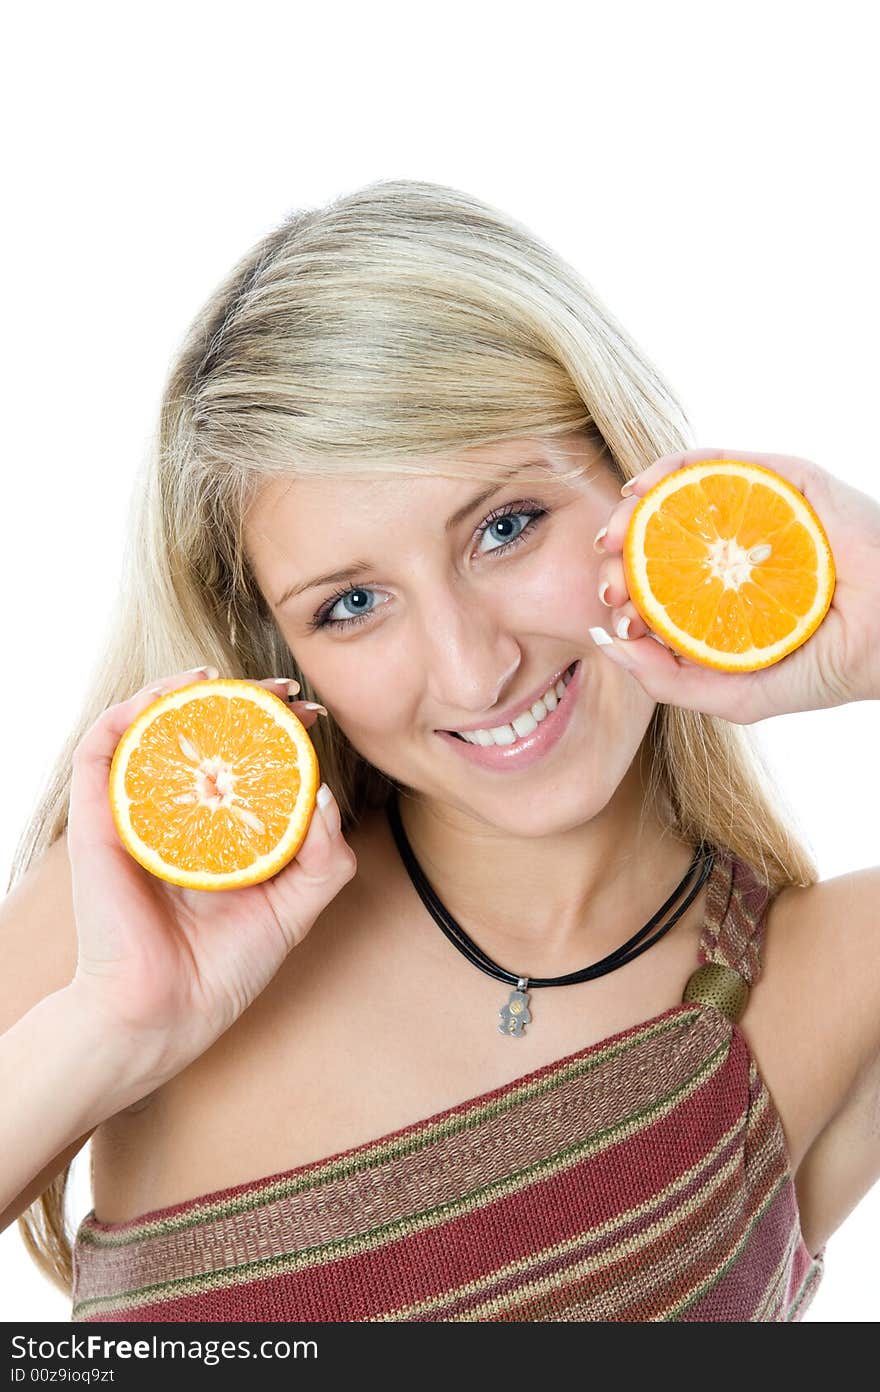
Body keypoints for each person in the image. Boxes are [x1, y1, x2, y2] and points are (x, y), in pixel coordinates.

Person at [2, 179, 879, 1323]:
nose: (473, 670)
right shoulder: (136, 917)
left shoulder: (838, 979)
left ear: (632, 470)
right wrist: (109, 1035)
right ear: (283, 652)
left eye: (506, 527)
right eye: (352, 602)